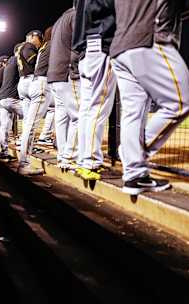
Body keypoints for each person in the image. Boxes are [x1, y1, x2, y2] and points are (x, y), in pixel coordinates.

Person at [109, 0, 189, 195]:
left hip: (121, 49)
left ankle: (134, 176)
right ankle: (134, 153)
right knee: (182, 103)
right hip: (149, 41)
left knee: (133, 112)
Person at [72, 0, 117, 181]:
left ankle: (83, 159)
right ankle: (89, 161)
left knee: (87, 110)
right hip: (101, 48)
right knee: (98, 109)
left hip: (85, 53)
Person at [48, 5, 80, 170]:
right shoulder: (76, 15)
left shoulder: (60, 19)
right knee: (79, 117)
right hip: (65, 73)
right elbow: (77, 46)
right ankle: (70, 157)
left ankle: (62, 156)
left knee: (62, 118)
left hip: (54, 75)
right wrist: (76, 69)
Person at [18, 28, 54, 175]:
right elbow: (32, 61)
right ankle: (24, 162)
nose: (39, 42)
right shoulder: (27, 45)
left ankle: (27, 149)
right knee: (30, 124)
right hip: (34, 82)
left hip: (30, 82)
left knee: (29, 122)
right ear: (33, 37)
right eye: (37, 39)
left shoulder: (34, 47)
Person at [0, 45, 24, 162]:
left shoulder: (7, 64)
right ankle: (23, 142)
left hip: (1, 99)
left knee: (5, 126)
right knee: (30, 117)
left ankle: (3, 150)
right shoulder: (15, 59)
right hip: (10, 98)